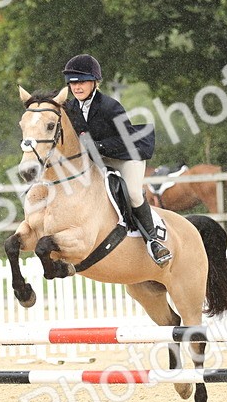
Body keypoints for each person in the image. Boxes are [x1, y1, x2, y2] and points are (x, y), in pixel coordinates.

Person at [60, 54, 171, 265]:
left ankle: (153, 241)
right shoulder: (70, 108)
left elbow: (126, 139)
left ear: (95, 82)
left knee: (133, 193)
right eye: (73, 83)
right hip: (97, 159)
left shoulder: (109, 106)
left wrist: (99, 146)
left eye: (82, 82)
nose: (77, 87)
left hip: (126, 155)